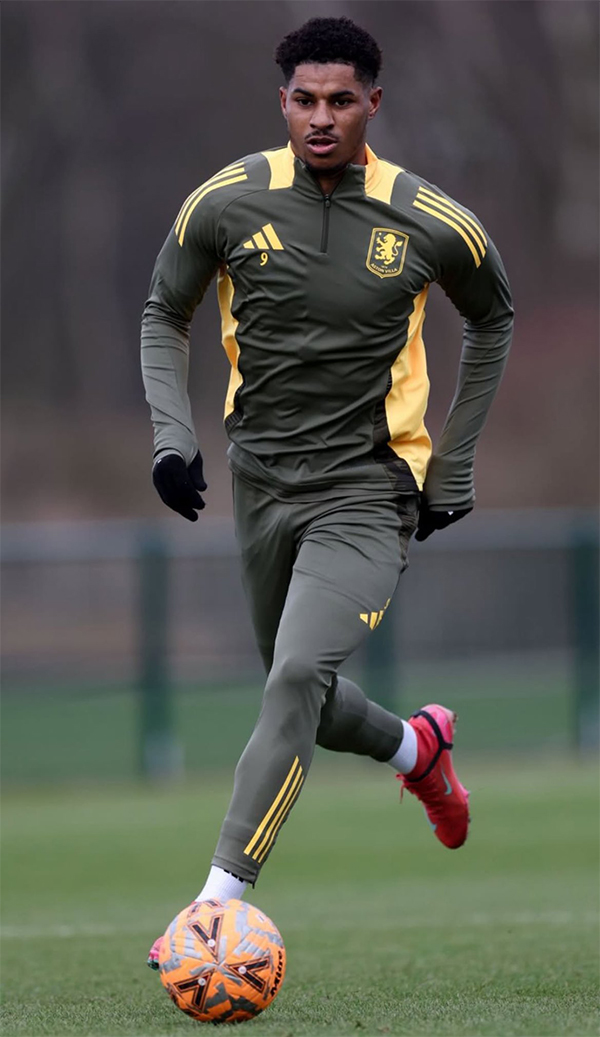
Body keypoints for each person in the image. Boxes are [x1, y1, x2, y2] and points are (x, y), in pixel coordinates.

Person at [142, 16, 513, 965]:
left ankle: (213, 907)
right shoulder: (227, 200)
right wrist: (174, 437)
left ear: (372, 104)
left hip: (369, 489)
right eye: (304, 100)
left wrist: (454, 463)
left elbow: (495, 319)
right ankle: (419, 750)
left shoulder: (430, 220)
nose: (321, 117)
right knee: (295, 685)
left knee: (297, 676)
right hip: (261, 483)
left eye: (341, 100)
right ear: (282, 102)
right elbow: (163, 310)